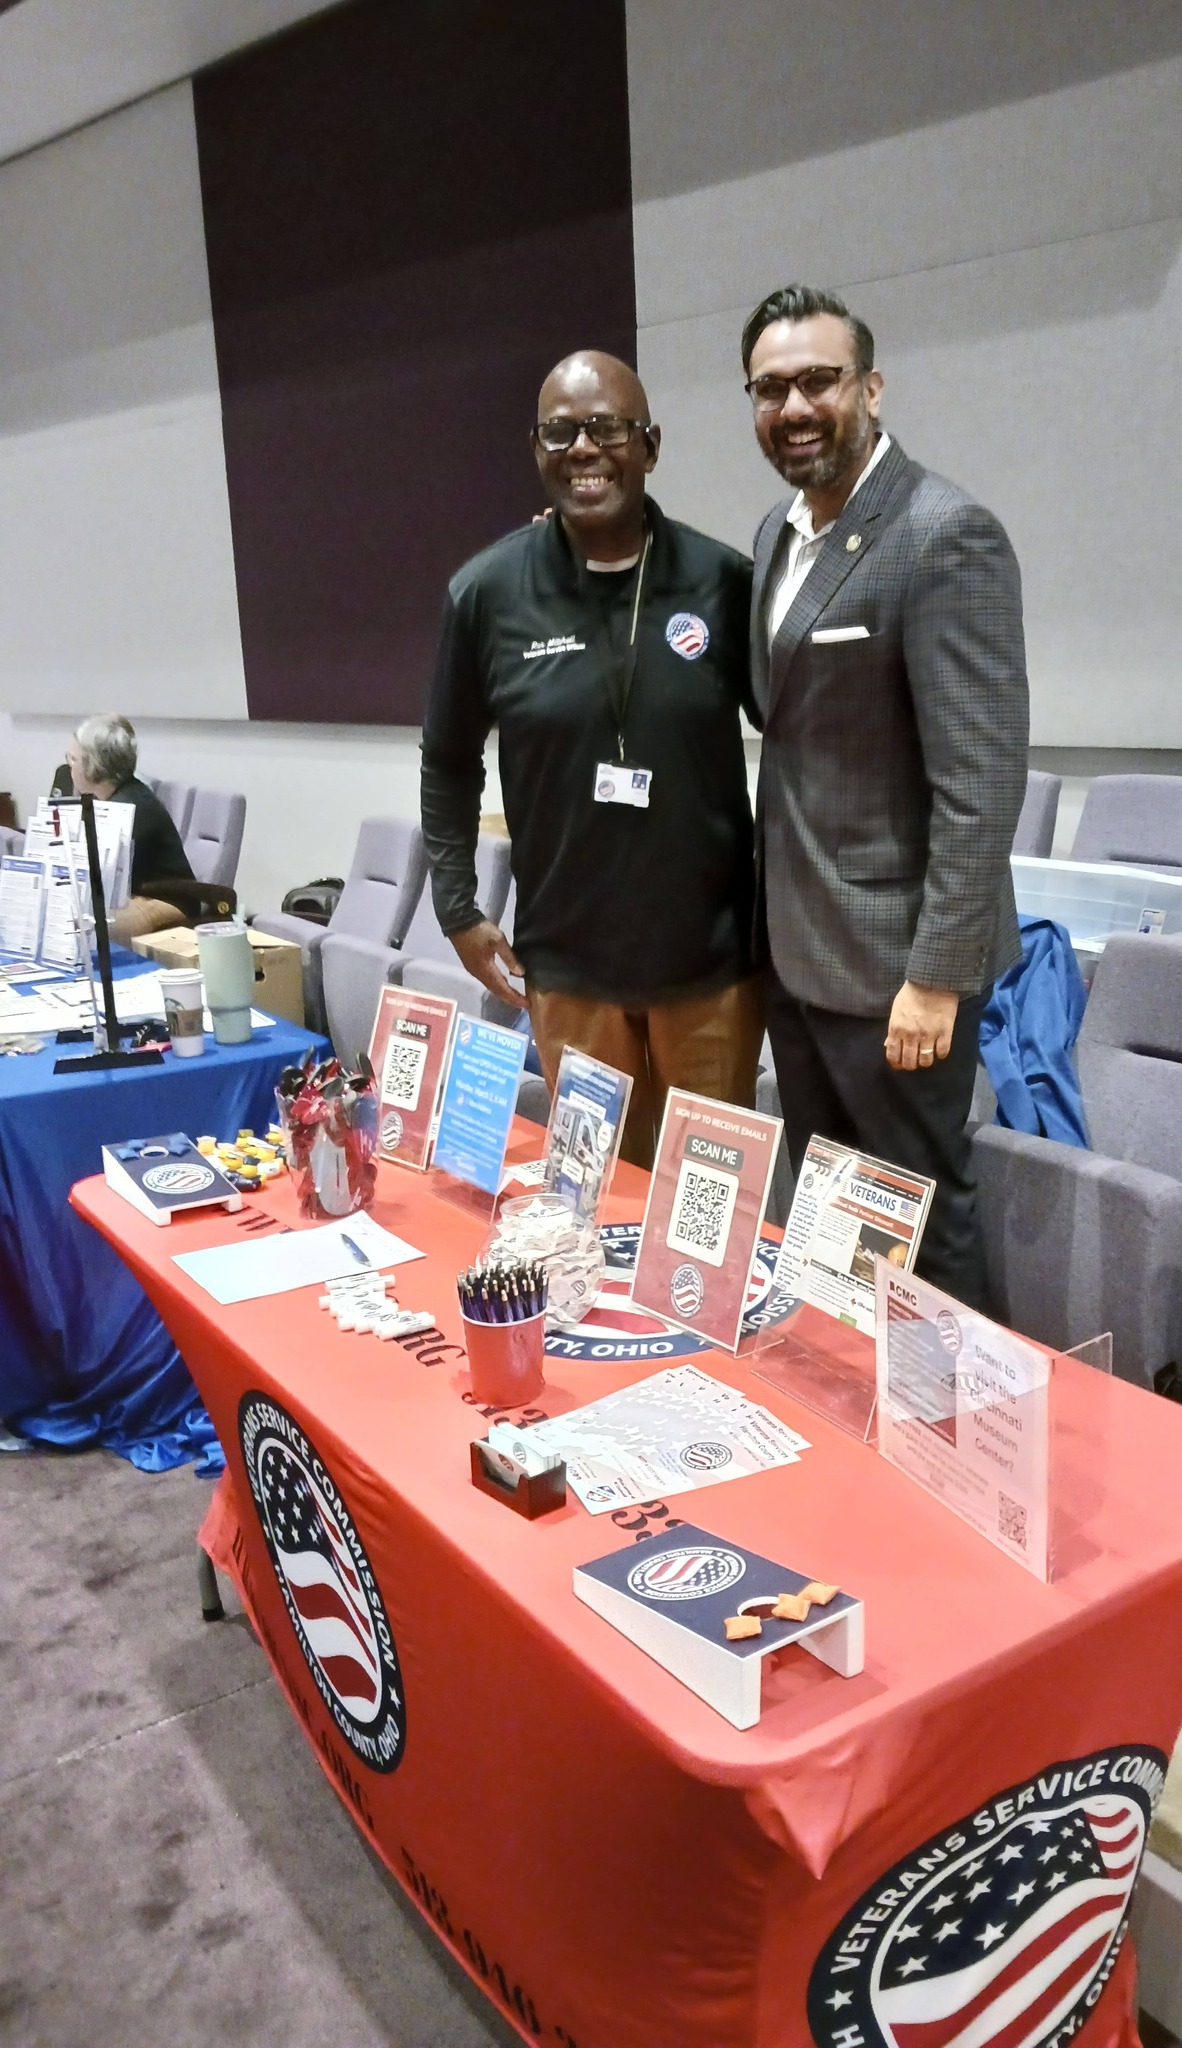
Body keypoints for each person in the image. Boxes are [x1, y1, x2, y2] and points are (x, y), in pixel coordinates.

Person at [743, 284, 1030, 1308]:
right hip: (800, 953)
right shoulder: (781, 535)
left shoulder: (943, 532)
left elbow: (981, 783)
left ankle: (963, 1441)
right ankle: (860, 1413)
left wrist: (939, 976)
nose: (796, 405)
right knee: (832, 1204)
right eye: (771, 388)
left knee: (922, 1211)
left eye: (818, 379)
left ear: (869, 385)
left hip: (898, 970)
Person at [420, 350, 761, 1168]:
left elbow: (799, 738)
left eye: (606, 427)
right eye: (560, 432)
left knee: (704, 1212)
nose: (583, 448)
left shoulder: (725, 582)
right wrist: (458, 907)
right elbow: (449, 758)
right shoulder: (486, 593)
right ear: (535, 449)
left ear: (649, 444)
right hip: (569, 966)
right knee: (590, 1200)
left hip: (709, 967)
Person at [64, 715, 194, 938]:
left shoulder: (132, 806)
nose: (69, 765)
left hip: (168, 900)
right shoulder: (111, 800)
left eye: (73, 759)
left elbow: (105, 872)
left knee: (84, 928)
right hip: (136, 896)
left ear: (94, 764)